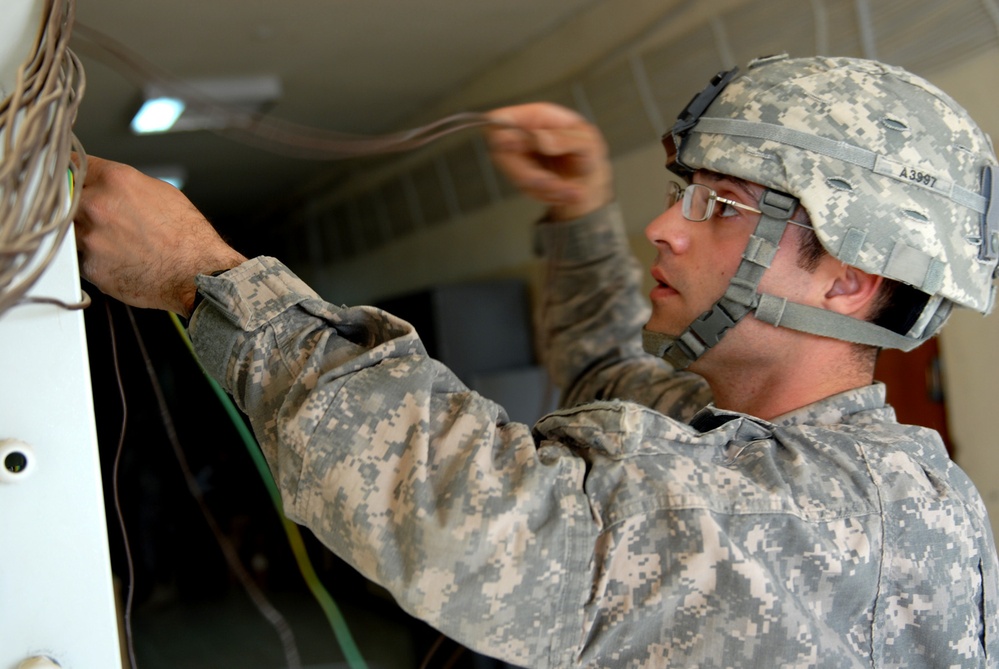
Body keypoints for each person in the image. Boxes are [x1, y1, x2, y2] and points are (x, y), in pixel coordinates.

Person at [75, 54, 999, 668]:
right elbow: (606, 379)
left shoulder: (844, 516)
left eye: (719, 208)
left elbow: (475, 514)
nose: (663, 226)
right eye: (685, 193)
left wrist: (203, 278)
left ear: (847, 279)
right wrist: (577, 213)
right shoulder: (735, 441)